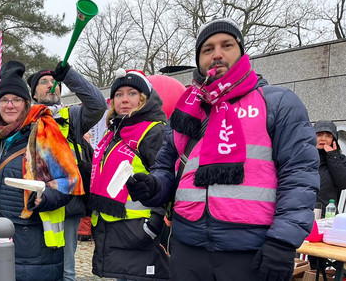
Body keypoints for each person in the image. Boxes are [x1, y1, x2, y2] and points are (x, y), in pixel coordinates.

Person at [127, 17, 320, 281]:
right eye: (207, 49)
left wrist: (284, 240)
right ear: (199, 59)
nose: (217, 54)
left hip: (252, 250)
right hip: (187, 248)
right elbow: (166, 167)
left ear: (241, 52)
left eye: (226, 45)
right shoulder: (186, 111)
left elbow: (300, 175)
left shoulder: (278, 102)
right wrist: (154, 187)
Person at [0, 60, 84, 281]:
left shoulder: (44, 134)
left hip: (32, 244)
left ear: (27, 103)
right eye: (4, 100)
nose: (10, 105)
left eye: (17, 100)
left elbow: (68, 181)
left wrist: (44, 198)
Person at [87, 69, 169, 280]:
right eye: (119, 94)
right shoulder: (112, 133)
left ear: (144, 98)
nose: (124, 99)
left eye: (132, 93)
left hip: (140, 233)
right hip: (114, 232)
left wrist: (153, 226)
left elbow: (167, 180)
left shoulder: (154, 131)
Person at [27, 62, 106, 281]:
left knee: (66, 269)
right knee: (35, 265)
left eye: (55, 82)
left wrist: (70, 76)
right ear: (33, 92)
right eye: (44, 82)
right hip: (32, 202)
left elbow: (98, 105)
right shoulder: (26, 118)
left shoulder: (72, 116)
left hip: (66, 203)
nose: (51, 85)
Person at [313, 120, 346, 213]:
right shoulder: (304, 157)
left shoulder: (340, 159)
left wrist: (332, 156)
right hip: (303, 213)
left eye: (328, 135)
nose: (323, 139)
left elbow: (343, 183)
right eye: (319, 135)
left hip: (328, 215)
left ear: (333, 140)